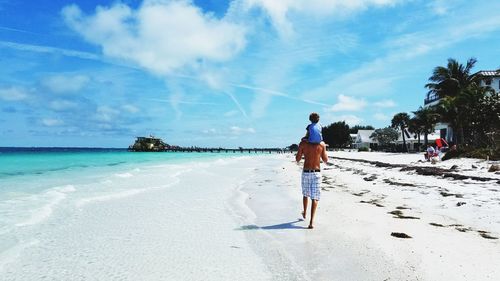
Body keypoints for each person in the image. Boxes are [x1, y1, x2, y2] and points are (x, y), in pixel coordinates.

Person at [295, 134, 328, 229]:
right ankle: (311, 222)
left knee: (305, 194)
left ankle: (304, 212)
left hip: (306, 172)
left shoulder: (303, 143)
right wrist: (322, 150)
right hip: (316, 173)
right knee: (315, 197)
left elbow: (297, 159)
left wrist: (301, 150)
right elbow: (325, 160)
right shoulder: (321, 144)